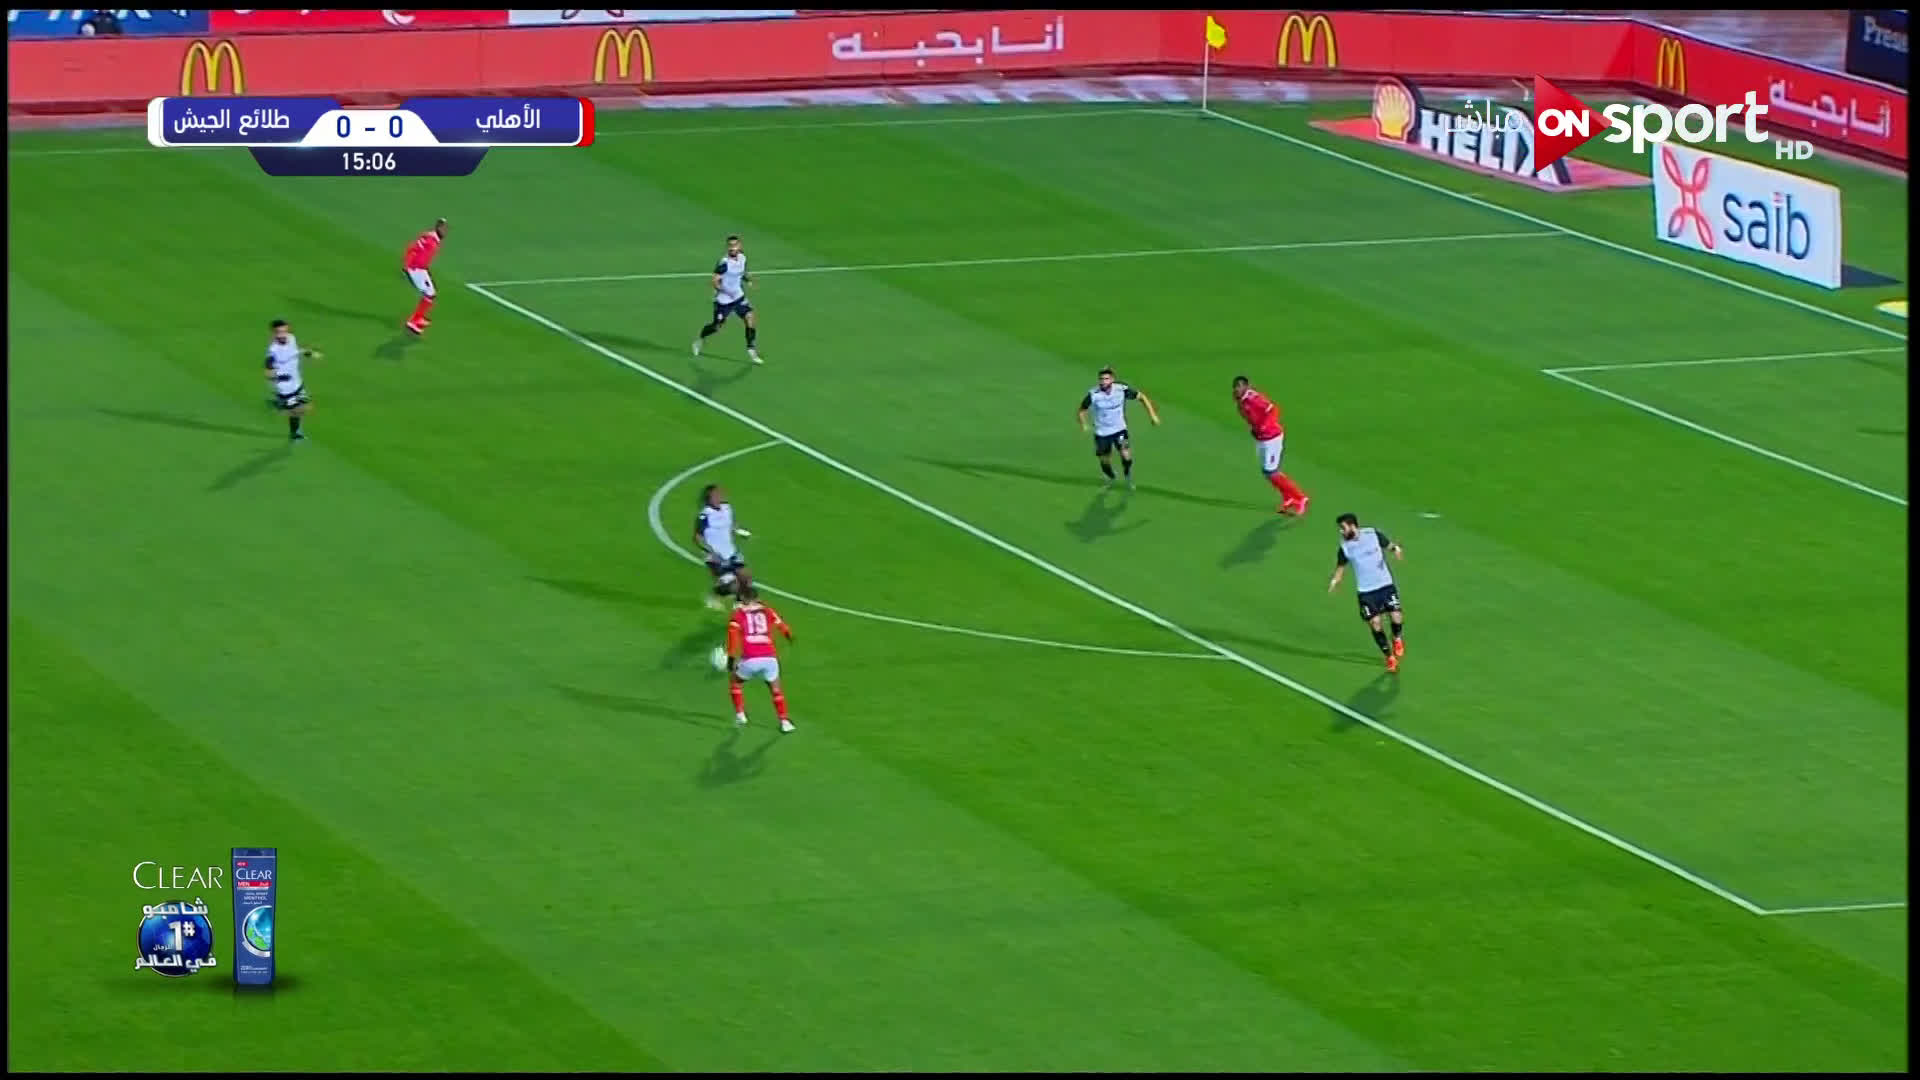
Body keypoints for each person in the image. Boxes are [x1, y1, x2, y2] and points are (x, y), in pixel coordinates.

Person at [1328, 513, 1406, 672]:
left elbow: (1389, 545)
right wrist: (1335, 580)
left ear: (1352, 526)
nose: (1341, 531)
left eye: (1343, 528)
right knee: (1375, 623)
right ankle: (1389, 656)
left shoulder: (1372, 534)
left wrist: (1396, 549)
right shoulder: (1345, 547)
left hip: (1385, 585)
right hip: (1366, 592)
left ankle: (1397, 638)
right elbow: (1340, 567)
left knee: (1396, 616)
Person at [1232, 375, 1310, 515]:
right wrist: (1254, 429)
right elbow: (1250, 416)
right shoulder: (1240, 400)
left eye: (1239, 386)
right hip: (1262, 438)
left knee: (1271, 471)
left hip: (1272, 437)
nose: (1236, 389)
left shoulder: (1254, 398)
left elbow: (1273, 409)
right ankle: (1288, 498)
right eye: (1235, 386)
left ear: (1246, 386)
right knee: (1267, 472)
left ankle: (1300, 497)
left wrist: (1264, 426)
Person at [726, 585, 796, 732]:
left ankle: (740, 715)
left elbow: (733, 639)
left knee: (735, 682)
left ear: (743, 598)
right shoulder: (767, 610)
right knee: (776, 690)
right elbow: (782, 626)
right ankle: (784, 722)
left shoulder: (738, 615)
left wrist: (731, 660)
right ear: (757, 598)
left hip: (750, 659)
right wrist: (789, 636)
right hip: (769, 658)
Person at [1077, 367, 1160, 489]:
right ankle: (1110, 475)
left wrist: (1153, 415)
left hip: (1120, 430)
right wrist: (1084, 424)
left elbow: (1142, 397)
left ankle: (1127, 474)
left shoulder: (1121, 390)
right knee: (1105, 461)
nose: (1103, 381)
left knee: (1126, 455)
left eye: (1106, 379)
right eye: (1101, 379)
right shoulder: (1093, 395)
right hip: (1102, 433)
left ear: (1112, 380)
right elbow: (1081, 410)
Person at [693, 234, 761, 364]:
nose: (732, 248)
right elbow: (714, 281)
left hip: (739, 297)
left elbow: (742, 272)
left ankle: (751, 349)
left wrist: (748, 280)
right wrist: (723, 291)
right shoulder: (724, 263)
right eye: (730, 245)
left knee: (750, 318)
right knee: (717, 327)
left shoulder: (743, 258)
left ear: (739, 246)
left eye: (735, 245)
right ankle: (700, 339)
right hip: (724, 301)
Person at [693, 483, 754, 610]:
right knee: (732, 584)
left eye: (719, 494)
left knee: (746, 577)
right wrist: (710, 552)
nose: (719, 496)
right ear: (709, 498)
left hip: (731, 552)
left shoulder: (727, 508)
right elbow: (697, 538)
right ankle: (713, 596)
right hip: (715, 555)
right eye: (715, 495)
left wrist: (739, 531)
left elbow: (732, 525)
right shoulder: (705, 515)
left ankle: (739, 604)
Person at [264, 319, 320, 442]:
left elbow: (296, 351)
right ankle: (281, 406)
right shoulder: (273, 351)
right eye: (279, 332)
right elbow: (268, 372)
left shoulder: (291, 338)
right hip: (285, 387)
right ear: (274, 333)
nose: (282, 334)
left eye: (284, 331)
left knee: (304, 408)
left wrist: (310, 353)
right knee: (299, 409)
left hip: (297, 382)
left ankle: (293, 430)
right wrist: (280, 377)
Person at [403, 218, 447, 335]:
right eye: (444, 228)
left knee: (431, 293)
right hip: (416, 269)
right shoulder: (430, 238)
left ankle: (419, 317)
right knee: (429, 294)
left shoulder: (433, 238)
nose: (445, 231)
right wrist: (407, 265)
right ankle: (413, 322)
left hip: (422, 269)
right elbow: (414, 248)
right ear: (438, 227)